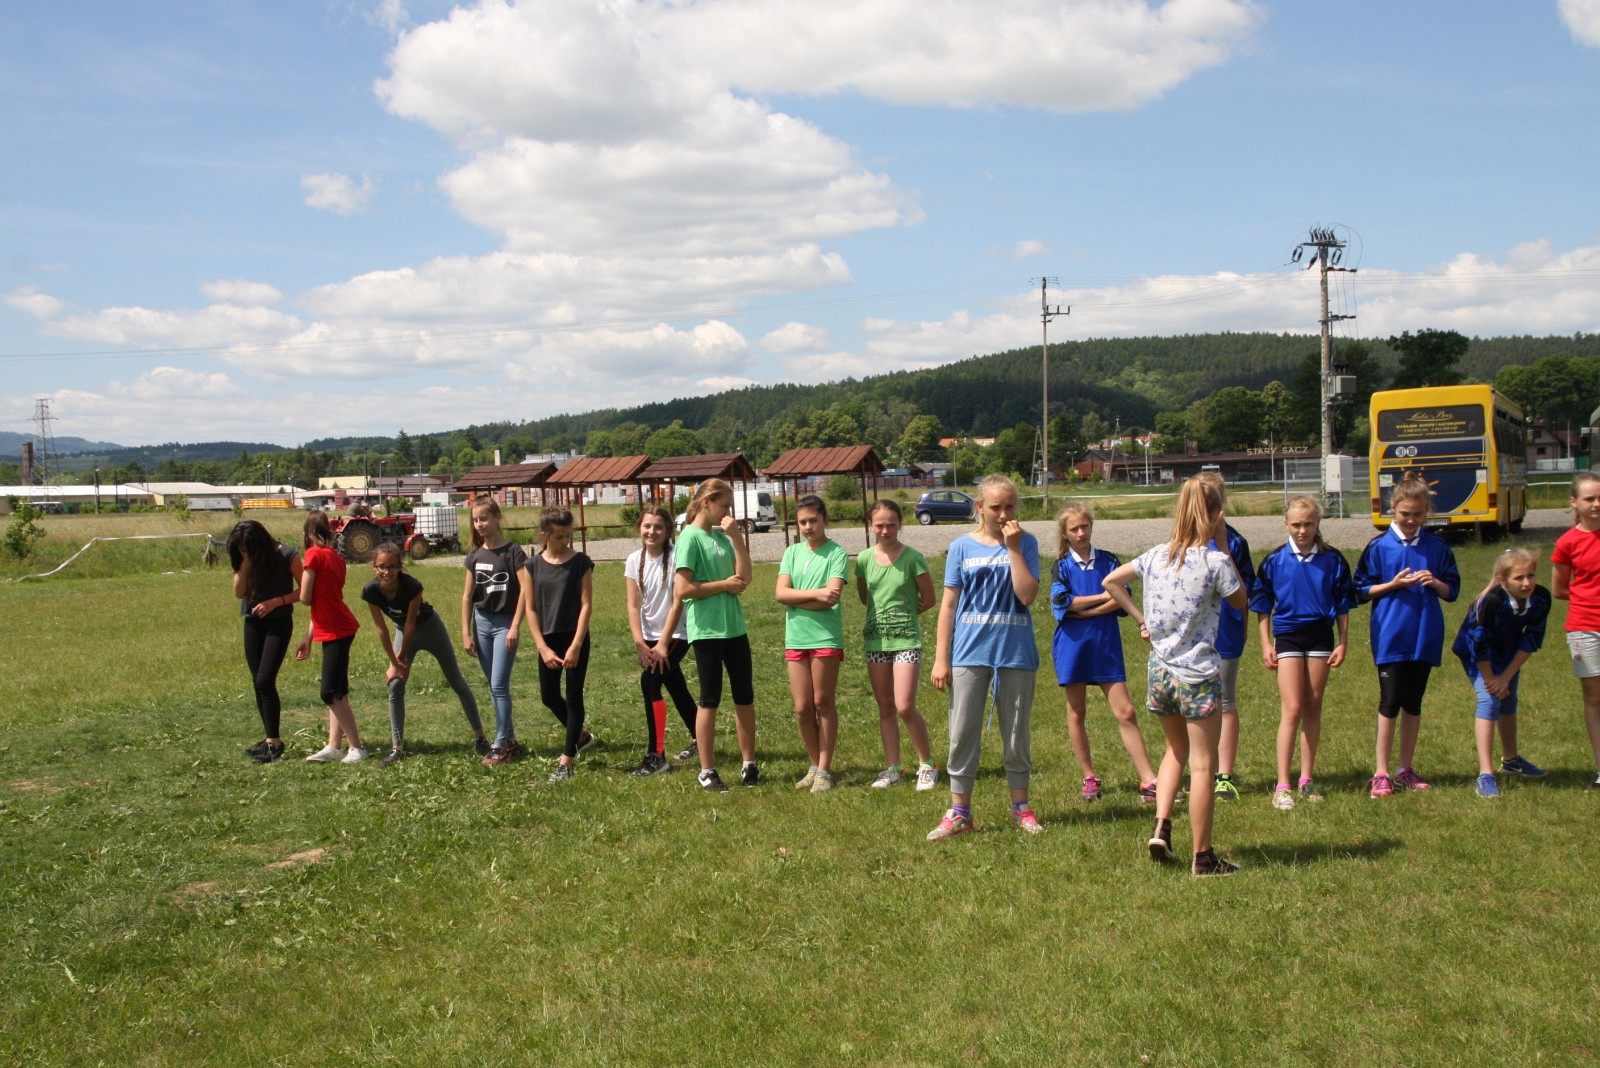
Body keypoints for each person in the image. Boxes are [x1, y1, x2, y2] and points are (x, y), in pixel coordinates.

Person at [1102, 477, 1246, 876]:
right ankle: (1203, 856)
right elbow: (1240, 600)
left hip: (1160, 673)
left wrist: (1141, 619)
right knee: (1203, 765)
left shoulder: (1155, 556)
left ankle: (1161, 827)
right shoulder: (1215, 562)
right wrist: (1223, 544)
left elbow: (1111, 581)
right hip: (1197, 677)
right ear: (1216, 515)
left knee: (1175, 750)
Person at [927, 474, 1044, 840]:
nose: (1003, 513)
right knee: (962, 732)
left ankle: (1020, 808)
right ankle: (960, 812)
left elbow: (1027, 596)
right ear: (980, 507)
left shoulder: (1027, 543)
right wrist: (941, 658)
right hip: (969, 653)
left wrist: (1013, 548)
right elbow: (948, 606)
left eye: (1010, 506)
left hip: (1015, 652)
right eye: (996, 507)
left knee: (1016, 733)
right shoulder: (961, 547)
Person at [1354, 477, 1459, 797]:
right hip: (1390, 637)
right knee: (1390, 701)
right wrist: (1393, 585)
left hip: (1424, 636)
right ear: (1392, 509)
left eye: (1417, 514)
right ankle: (1381, 772)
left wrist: (1435, 582)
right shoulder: (1378, 547)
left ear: (1427, 512)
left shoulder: (1437, 547)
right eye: (1404, 514)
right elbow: (1359, 591)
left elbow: (1452, 591)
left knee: (1413, 702)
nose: (1411, 520)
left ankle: (1406, 769)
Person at [1048, 501, 1158, 802]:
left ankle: (1148, 780)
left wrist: (1088, 609)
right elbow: (1062, 602)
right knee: (1077, 711)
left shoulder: (1109, 561)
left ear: (1092, 526)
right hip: (1072, 646)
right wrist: (1105, 594)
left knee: (1126, 711)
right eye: (1074, 529)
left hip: (1106, 644)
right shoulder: (1060, 566)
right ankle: (1089, 777)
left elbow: (1124, 595)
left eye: (1085, 526)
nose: (1081, 533)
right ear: (1065, 533)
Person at [1250, 496, 1355, 810]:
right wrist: (1266, 643)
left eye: (1308, 524)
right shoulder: (1274, 561)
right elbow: (1262, 604)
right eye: (1296, 524)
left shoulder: (1333, 560)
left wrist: (1343, 641)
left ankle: (1307, 781)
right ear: (1286, 524)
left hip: (1321, 635)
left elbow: (1343, 604)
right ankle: (1282, 784)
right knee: (1292, 708)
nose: (1302, 530)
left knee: (1313, 706)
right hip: (1288, 636)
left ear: (1318, 522)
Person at [360, 542, 488, 766]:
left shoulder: (412, 586)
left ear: (400, 567)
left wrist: (401, 659)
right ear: (374, 567)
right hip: (402, 631)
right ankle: (397, 747)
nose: (387, 572)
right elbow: (381, 629)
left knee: (456, 680)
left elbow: (411, 623)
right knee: (395, 684)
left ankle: (480, 737)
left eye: (392, 566)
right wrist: (395, 664)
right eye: (382, 567)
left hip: (430, 628)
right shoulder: (370, 591)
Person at [674, 478, 759, 792]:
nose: (727, 513)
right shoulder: (689, 538)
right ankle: (707, 770)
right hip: (707, 630)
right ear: (706, 502)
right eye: (724, 506)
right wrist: (724, 585)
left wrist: (737, 538)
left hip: (734, 626)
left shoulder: (722, 537)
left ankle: (749, 764)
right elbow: (683, 589)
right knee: (709, 699)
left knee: (744, 695)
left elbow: (745, 577)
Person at [1453, 547, 1550, 798]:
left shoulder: (1541, 598)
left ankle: (1511, 761)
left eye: (1531, 575)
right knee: (1490, 700)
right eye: (1519, 578)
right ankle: (1485, 774)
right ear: (1502, 580)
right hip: (1477, 655)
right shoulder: (1491, 602)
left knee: (1508, 700)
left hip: (1508, 655)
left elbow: (1531, 639)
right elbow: (1479, 645)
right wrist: (1491, 679)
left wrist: (1505, 676)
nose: (1527, 583)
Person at [856, 499, 939, 791]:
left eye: (891, 524)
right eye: (879, 525)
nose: (885, 530)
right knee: (885, 707)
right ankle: (893, 768)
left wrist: (904, 616)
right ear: (871, 525)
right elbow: (865, 597)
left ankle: (927, 765)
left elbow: (929, 599)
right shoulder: (863, 560)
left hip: (906, 641)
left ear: (900, 525)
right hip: (876, 641)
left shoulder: (913, 558)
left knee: (904, 705)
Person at [776, 495, 850, 793]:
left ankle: (825, 770)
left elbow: (831, 597)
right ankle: (814, 765)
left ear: (824, 520)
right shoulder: (791, 552)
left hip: (824, 637)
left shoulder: (837, 553)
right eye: (803, 522)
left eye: (813, 521)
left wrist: (798, 599)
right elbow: (780, 593)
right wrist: (815, 594)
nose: (808, 527)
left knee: (822, 702)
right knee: (802, 707)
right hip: (796, 638)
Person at [624, 504, 699, 776]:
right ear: (639, 528)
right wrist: (639, 644)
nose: (652, 532)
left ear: (668, 530)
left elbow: (679, 601)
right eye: (647, 526)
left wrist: (664, 644)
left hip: (677, 634)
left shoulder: (678, 555)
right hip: (648, 636)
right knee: (675, 685)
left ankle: (657, 756)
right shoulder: (634, 559)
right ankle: (701, 737)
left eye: (658, 527)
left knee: (650, 682)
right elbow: (633, 605)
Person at [523, 505, 596, 783]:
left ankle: (566, 762)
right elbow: (530, 608)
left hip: (574, 636)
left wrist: (576, 645)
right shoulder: (532, 566)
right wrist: (542, 647)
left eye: (568, 536)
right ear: (544, 535)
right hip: (548, 639)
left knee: (574, 697)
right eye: (558, 537)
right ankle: (581, 736)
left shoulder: (580, 562)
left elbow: (586, 605)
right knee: (549, 696)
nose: (565, 541)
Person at [1195, 470, 1255, 803]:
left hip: (1226, 630)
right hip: (1193, 633)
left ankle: (1224, 776)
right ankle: (1200, 769)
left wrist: (1222, 548)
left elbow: (1243, 594)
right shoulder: (1185, 538)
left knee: (1225, 700)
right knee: (1194, 703)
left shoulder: (1236, 542)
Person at [226, 520, 302, 764]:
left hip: (278, 623)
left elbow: (306, 591)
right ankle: (269, 738)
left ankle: (275, 743)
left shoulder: (287, 555)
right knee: (257, 681)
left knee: (264, 680)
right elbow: (238, 592)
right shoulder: (246, 559)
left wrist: (275, 602)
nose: (243, 552)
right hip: (253, 623)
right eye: (240, 549)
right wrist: (245, 564)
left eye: (246, 549)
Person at [295, 509, 367, 763]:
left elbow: (306, 598)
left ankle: (357, 747)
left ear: (307, 533)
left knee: (329, 692)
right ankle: (334, 746)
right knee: (339, 692)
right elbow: (324, 600)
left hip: (336, 629)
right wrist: (308, 637)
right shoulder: (337, 558)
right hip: (338, 627)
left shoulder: (313, 554)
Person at [461, 497, 526, 767]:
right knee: (493, 686)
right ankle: (509, 740)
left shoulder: (513, 552)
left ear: (497, 518)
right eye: (476, 520)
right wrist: (466, 632)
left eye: (484, 519)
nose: (479, 525)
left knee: (499, 685)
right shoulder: (474, 556)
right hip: (482, 623)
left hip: (504, 624)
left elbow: (526, 591)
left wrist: (515, 626)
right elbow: (467, 597)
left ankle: (499, 745)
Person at [1551, 470, 1600, 791]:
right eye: (1589, 498)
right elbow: (1559, 589)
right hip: (1584, 628)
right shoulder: (1567, 542)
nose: (1596, 504)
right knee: (1594, 696)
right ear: (1574, 502)